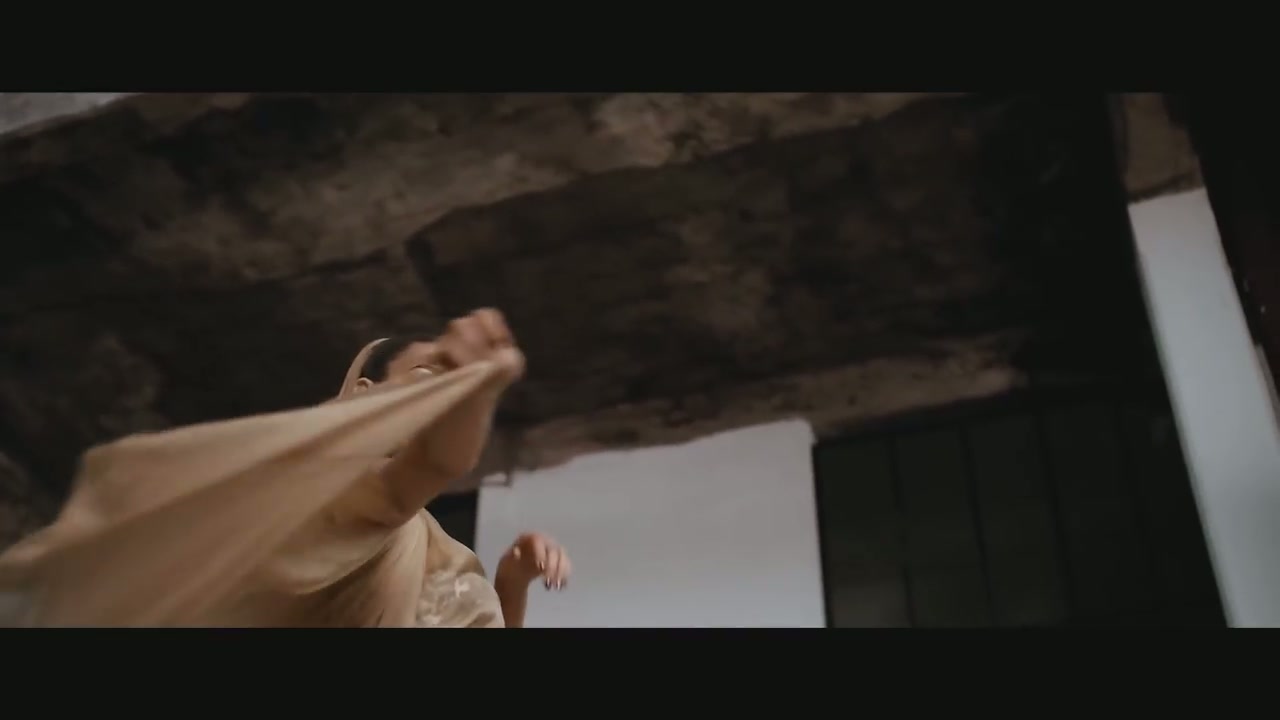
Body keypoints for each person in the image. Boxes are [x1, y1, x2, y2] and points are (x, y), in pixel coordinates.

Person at [0, 309, 571, 628]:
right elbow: (426, 469)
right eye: (429, 380)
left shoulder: (433, 552)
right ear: (363, 394)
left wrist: (510, 582)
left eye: (452, 389)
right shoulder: (324, 486)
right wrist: (475, 391)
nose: (443, 401)